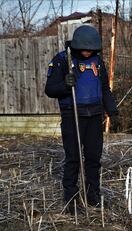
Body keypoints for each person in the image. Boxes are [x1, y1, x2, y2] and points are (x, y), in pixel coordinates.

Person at [45, 25, 118, 214]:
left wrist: (111, 109)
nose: (87, 52)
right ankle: (71, 198)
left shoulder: (98, 62)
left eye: (91, 49)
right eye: (84, 48)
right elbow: (50, 89)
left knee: (93, 157)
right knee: (73, 158)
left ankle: (93, 194)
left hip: (94, 116)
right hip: (72, 115)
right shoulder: (63, 61)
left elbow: (104, 88)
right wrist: (64, 85)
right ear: (76, 45)